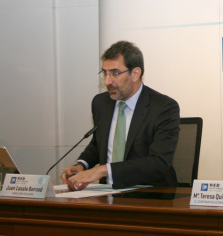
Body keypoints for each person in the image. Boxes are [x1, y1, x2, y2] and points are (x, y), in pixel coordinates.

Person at [62, 41, 180, 190]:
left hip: (150, 194)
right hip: (106, 193)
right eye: (105, 73)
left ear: (135, 73)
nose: (107, 81)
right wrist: (81, 165)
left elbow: (158, 163)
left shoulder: (163, 107)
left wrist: (103, 170)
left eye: (115, 73)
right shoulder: (101, 103)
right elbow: (98, 144)